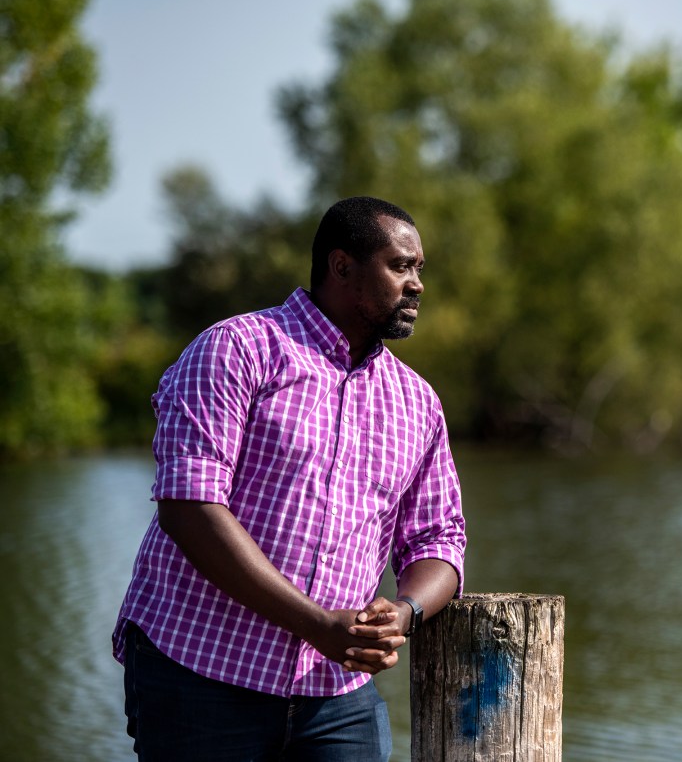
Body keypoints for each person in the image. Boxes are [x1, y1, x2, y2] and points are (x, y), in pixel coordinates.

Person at [112, 196, 467, 761]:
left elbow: (439, 541)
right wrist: (319, 624)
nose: (417, 284)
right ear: (342, 266)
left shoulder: (417, 402)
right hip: (200, 677)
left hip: (336, 697)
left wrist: (403, 614)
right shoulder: (236, 350)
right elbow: (189, 504)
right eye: (401, 266)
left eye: (419, 268)